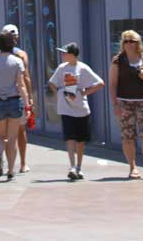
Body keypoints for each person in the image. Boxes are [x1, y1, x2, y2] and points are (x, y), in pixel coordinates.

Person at [48, 42, 105, 181]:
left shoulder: (83, 68)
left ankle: (79, 167)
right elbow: (52, 83)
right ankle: (72, 166)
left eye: (65, 52)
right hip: (66, 109)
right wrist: (60, 94)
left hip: (81, 110)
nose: (62, 55)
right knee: (70, 138)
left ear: (73, 55)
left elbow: (100, 83)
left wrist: (85, 93)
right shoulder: (62, 68)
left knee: (80, 140)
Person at [110, 29, 143, 180]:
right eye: (126, 41)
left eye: (132, 41)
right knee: (128, 135)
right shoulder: (118, 60)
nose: (129, 44)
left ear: (138, 43)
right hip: (125, 101)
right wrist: (115, 105)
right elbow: (112, 84)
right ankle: (133, 167)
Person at [0, 32, 29, 182]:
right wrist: (28, 105)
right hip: (14, 101)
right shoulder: (17, 62)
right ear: (12, 44)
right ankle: (10, 170)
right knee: (12, 138)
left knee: (1, 136)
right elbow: (21, 85)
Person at [0, 23, 35, 175]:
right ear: (15, 38)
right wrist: (30, 99)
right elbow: (26, 79)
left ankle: (3, 159)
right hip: (17, 97)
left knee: (2, 135)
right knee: (19, 131)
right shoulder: (21, 55)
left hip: (0, 99)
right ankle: (22, 164)